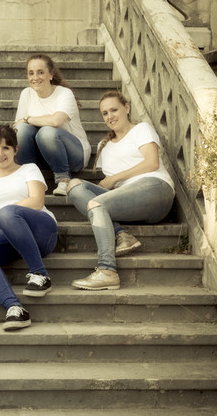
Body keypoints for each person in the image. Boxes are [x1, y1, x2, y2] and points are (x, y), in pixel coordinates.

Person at [65, 90, 175, 291]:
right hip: (130, 201)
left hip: (155, 189)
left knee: (96, 203)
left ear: (127, 108)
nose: (110, 116)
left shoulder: (141, 129)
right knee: (74, 186)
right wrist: (103, 187)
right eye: (105, 113)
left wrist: (114, 178)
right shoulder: (103, 146)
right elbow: (115, 190)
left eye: (114, 110)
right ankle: (121, 234)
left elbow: (152, 163)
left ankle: (107, 270)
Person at [0, 125, 58, 331]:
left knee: (8, 212)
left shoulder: (29, 169)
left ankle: (40, 274)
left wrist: (0, 212)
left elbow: (36, 201)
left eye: (6, 148)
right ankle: (14, 308)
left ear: (15, 150)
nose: (0, 154)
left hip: (42, 232)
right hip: (12, 236)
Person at [13, 53, 91, 197]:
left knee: (46, 131)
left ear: (51, 74)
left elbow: (56, 121)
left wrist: (29, 118)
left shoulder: (64, 94)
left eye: (40, 72)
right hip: (45, 155)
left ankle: (64, 179)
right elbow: (17, 126)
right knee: (22, 131)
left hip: (74, 154)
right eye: (31, 73)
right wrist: (32, 121)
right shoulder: (27, 94)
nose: (35, 77)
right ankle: (28, 177)